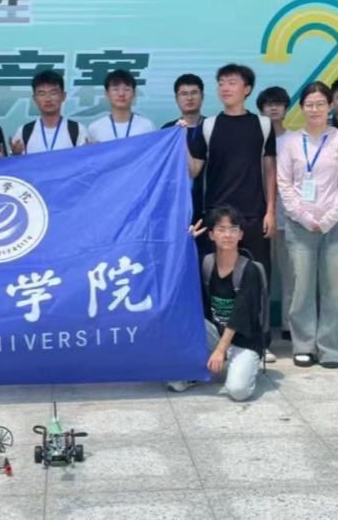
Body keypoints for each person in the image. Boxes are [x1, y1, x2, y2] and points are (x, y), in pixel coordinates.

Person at [189, 65, 278, 359]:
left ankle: (259, 342)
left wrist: (271, 211)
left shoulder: (263, 125)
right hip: (217, 220)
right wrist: (178, 140)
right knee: (213, 281)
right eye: (221, 83)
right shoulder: (208, 125)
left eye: (231, 82)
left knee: (257, 280)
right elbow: (194, 169)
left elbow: (269, 169)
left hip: (253, 217)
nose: (225, 88)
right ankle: (213, 343)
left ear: (247, 89)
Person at [277, 81, 338, 368]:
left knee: (334, 288)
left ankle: (332, 348)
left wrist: (329, 218)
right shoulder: (291, 142)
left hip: (336, 224)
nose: (315, 109)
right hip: (300, 225)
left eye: (320, 104)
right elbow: (284, 184)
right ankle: (304, 345)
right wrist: (306, 218)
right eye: (309, 104)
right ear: (301, 108)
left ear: (330, 106)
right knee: (301, 287)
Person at [167, 205, 266, 401]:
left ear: (240, 234)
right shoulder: (205, 263)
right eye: (221, 229)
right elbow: (175, 277)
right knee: (175, 380)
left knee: (238, 392)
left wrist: (220, 350)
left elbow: (239, 315)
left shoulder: (249, 270)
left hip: (243, 340)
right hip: (213, 334)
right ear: (211, 235)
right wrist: (185, 244)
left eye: (233, 229)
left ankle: (238, 363)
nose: (227, 235)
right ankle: (203, 368)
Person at [257, 86, 292, 340]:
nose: (273, 108)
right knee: (261, 274)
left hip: (290, 217)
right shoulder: (253, 140)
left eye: (278, 103)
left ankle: (290, 325)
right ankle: (262, 326)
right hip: (261, 216)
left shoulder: (295, 139)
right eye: (268, 104)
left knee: (291, 275)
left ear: (286, 108)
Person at [162, 74, 207, 227]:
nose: (189, 98)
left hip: (207, 205)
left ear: (202, 96)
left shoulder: (212, 127)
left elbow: (194, 172)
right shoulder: (167, 130)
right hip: (175, 206)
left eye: (194, 93)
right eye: (184, 94)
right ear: (176, 98)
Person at [10, 70, 84, 155]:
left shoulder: (78, 130)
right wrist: (16, 155)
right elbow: (17, 162)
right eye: (42, 94)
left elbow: (86, 161)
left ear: (63, 96)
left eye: (53, 93)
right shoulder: (24, 131)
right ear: (34, 98)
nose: (48, 99)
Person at [86, 69, 155, 143]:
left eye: (126, 89)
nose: (121, 94)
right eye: (115, 89)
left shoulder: (147, 126)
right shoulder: (95, 128)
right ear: (107, 93)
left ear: (134, 93)